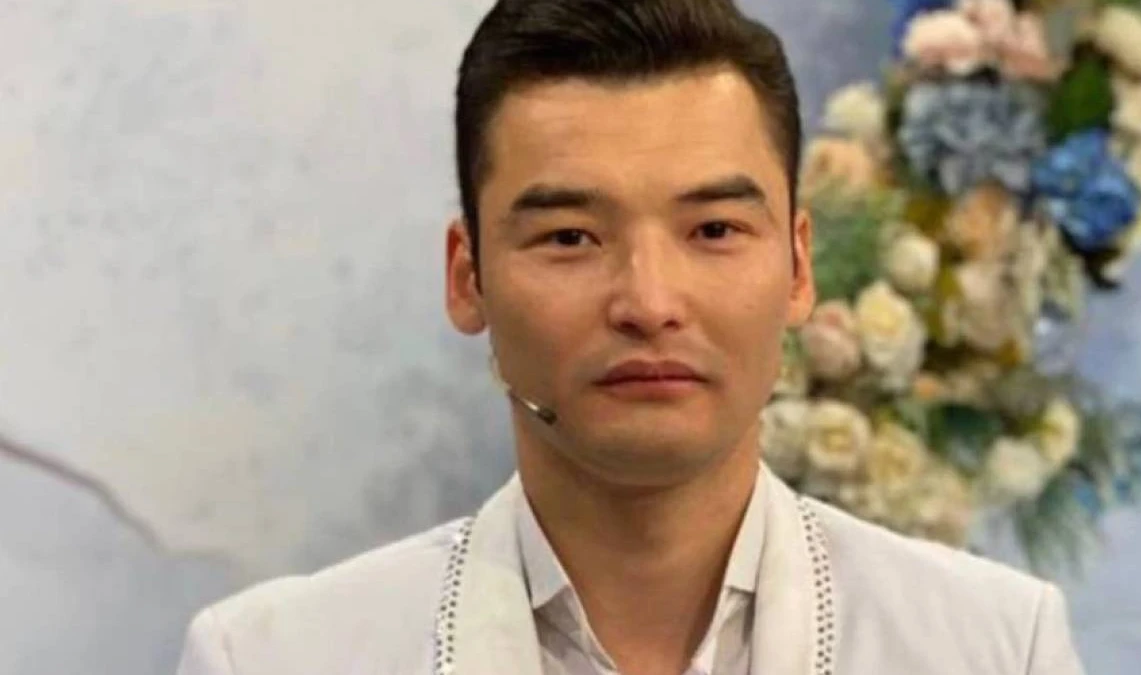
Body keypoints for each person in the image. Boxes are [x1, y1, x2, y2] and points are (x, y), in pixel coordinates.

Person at [176, 1, 1086, 673]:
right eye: (571, 237)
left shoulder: (994, 647)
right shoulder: (272, 657)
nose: (649, 302)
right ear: (468, 276)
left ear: (798, 266)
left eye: (714, 230)